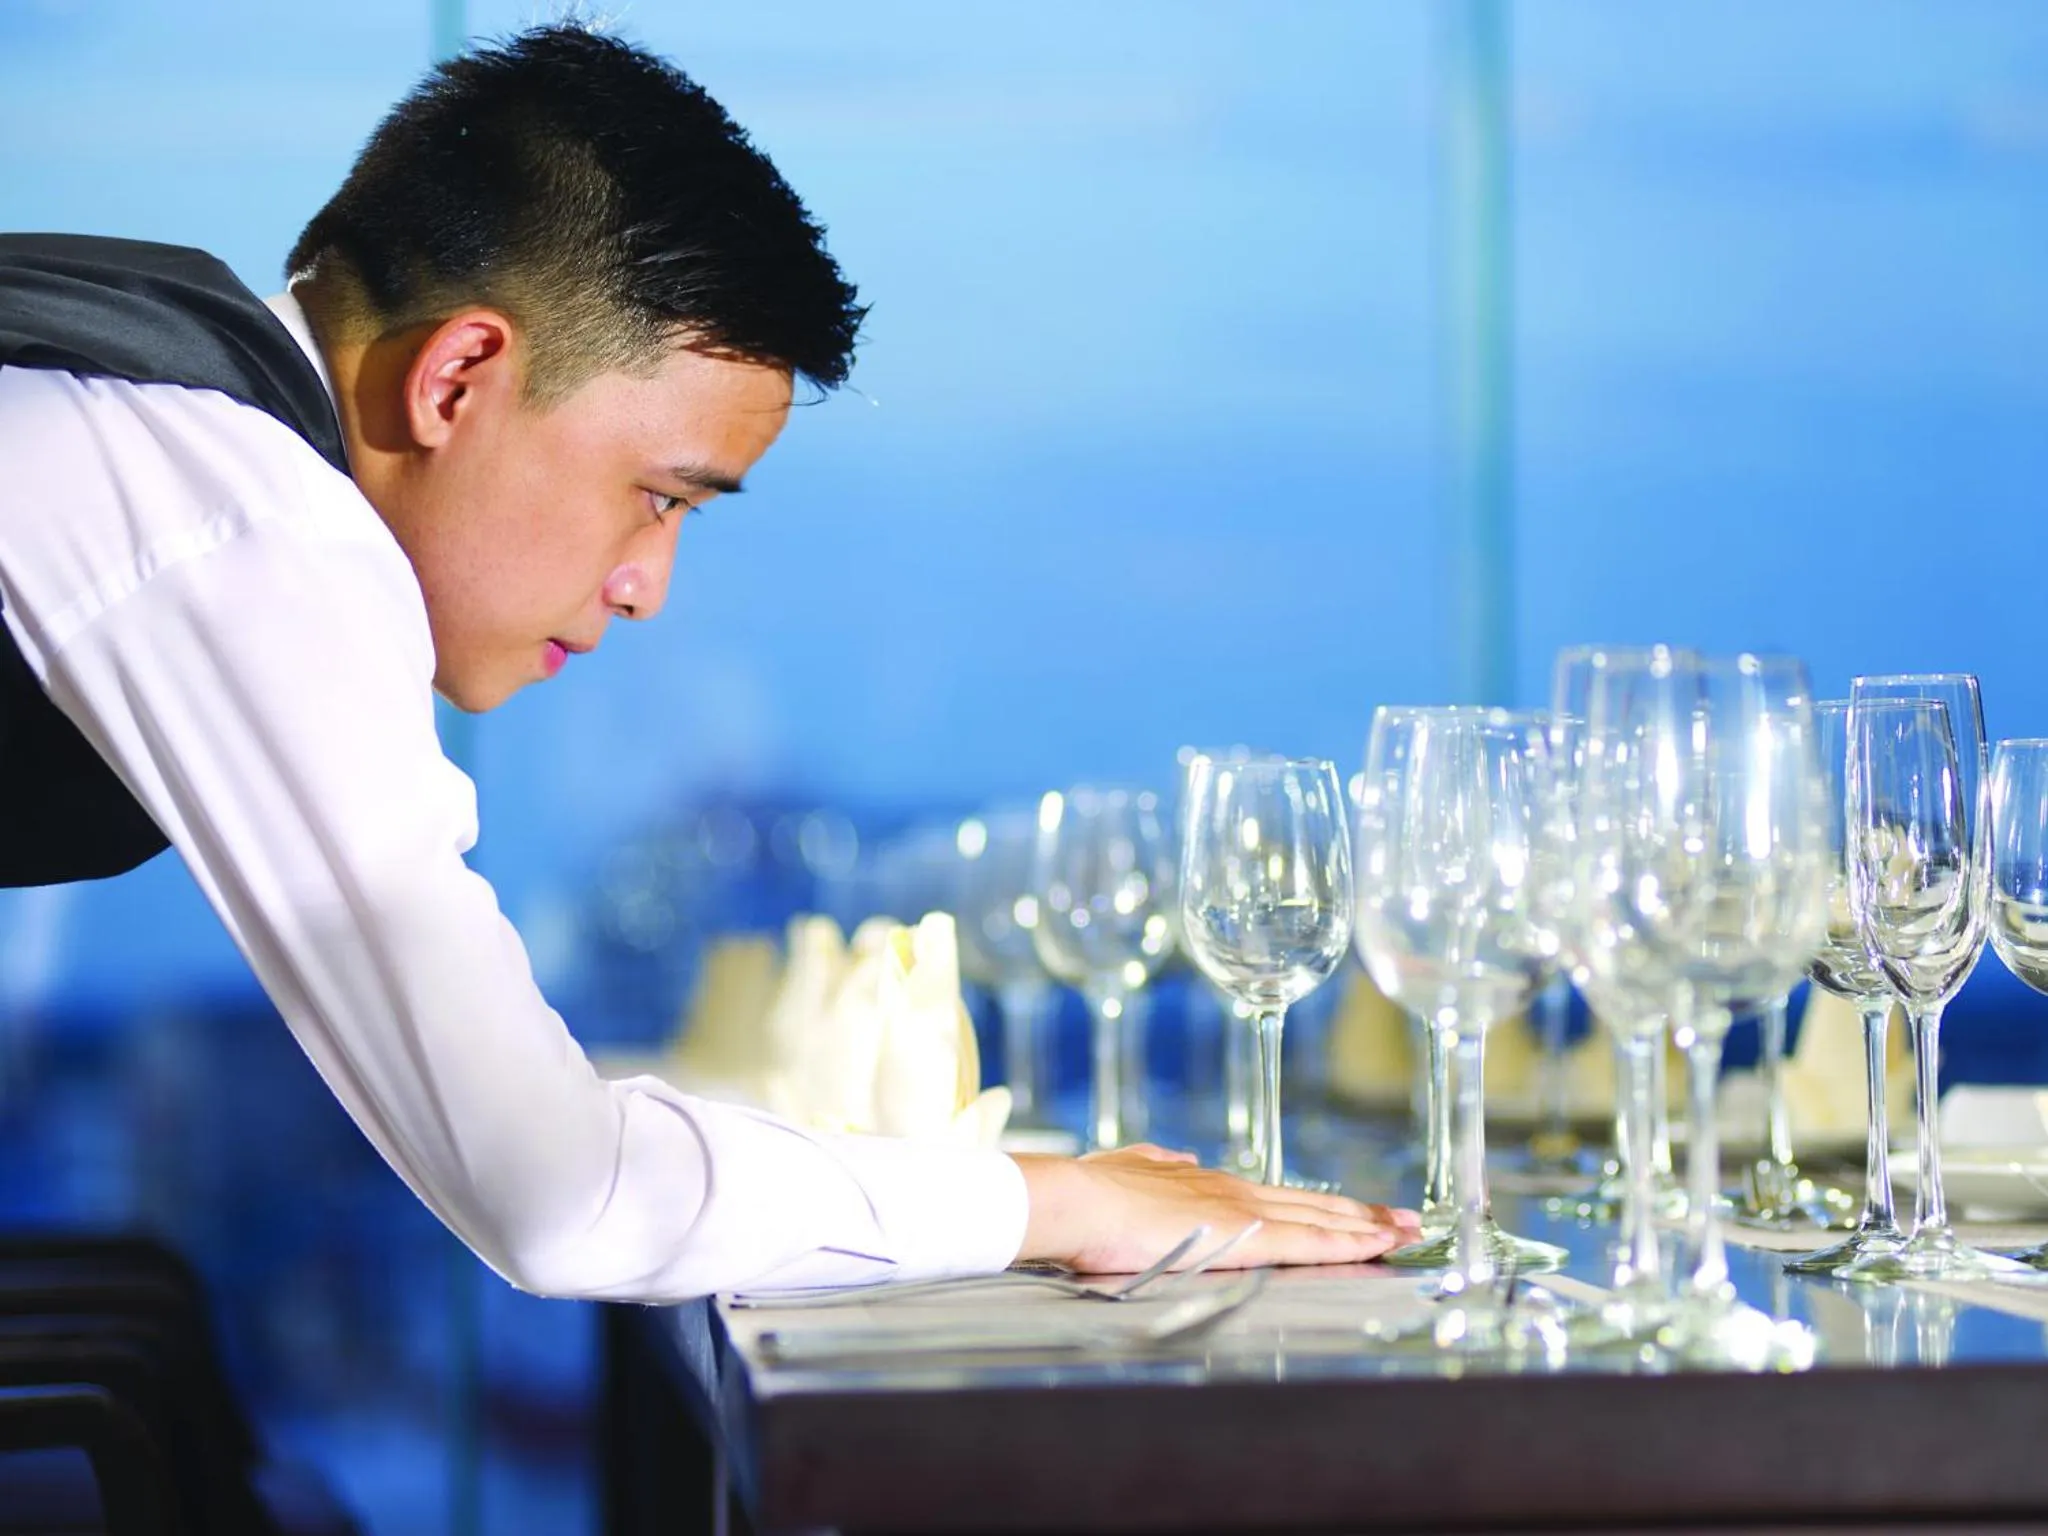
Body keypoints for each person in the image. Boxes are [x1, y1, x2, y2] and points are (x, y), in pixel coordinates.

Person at [0, 24, 1418, 1300]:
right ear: (455, 381)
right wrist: (1060, 1199)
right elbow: (563, 1197)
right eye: (660, 495)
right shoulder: (247, 525)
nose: (647, 586)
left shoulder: (147, 417)